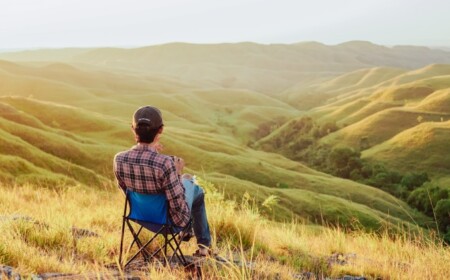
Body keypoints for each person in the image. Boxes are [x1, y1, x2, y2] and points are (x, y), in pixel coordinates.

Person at [113, 105, 211, 256]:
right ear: (160, 130)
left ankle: (190, 236)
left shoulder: (119, 159)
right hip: (169, 224)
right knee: (195, 189)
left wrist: (152, 153)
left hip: (139, 217)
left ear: (133, 129)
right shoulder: (165, 163)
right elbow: (179, 208)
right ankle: (203, 247)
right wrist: (178, 173)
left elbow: (126, 192)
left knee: (186, 182)